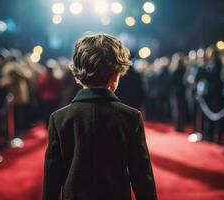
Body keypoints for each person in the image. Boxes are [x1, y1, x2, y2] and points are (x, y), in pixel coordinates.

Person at [43, 33, 158, 200]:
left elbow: (52, 178)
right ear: (116, 73)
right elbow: (141, 176)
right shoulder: (130, 117)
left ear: (78, 73)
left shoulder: (59, 118)